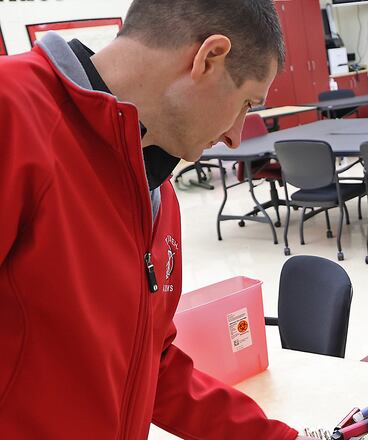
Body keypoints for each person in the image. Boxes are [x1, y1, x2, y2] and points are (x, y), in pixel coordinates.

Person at [0, 0, 310, 438]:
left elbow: (151, 364)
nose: (236, 135)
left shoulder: (153, 189)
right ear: (209, 57)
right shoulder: (12, 112)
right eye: (245, 103)